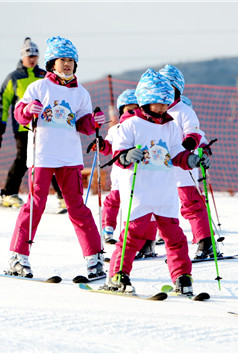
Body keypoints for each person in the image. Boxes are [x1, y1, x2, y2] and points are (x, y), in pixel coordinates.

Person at [7, 36, 106, 279]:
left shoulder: (81, 92)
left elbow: (82, 123)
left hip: (69, 157)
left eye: (72, 60)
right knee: (36, 204)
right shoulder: (39, 87)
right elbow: (20, 111)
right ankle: (18, 257)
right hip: (42, 155)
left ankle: (94, 259)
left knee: (77, 207)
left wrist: (93, 122)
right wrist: (27, 110)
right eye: (63, 60)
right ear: (52, 63)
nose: (67, 64)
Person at [104, 69, 210, 294]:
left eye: (166, 103)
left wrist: (192, 159)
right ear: (144, 102)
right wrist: (126, 156)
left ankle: (182, 277)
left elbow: (176, 154)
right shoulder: (130, 125)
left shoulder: (171, 126)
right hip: (139, 191)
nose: (163, 108)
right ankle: (117, 275)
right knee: (132, 236)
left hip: (164, 192)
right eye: (157, 104)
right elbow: (118, 155)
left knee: (175, 237)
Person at [0, 37, 66, 213]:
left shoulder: (44, 75)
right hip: (23, 126)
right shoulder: (14, 77)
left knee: (50, 158)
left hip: (44, 125)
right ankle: (8, 194)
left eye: (35, 55)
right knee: (22, 159)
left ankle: (63, 197)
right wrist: (0, 122)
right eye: (29, 55)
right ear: (22, 57)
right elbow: (3, 101)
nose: (32, 58)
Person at [158, 65, 219, 260]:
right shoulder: (156, 112)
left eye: (169, 87)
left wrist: (185, 147)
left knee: (191, 204)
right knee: (160, 207)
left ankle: (206, 242)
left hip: (185, 167)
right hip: (161, 169)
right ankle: (162, 244)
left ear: (177, 88)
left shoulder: (183, 110)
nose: (165, 92)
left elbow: (193, 132)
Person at [88, 89, 159, 256]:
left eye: (137, 109)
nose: (133, 113)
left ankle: (148, 241)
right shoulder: (116, 129)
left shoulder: (145, 127)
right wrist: (101, 144)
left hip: (142, 178)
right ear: (122, 111)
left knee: (145, 209)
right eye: (129, 110)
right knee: (113, 201)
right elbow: (109, 147)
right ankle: (108, 228)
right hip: (120, 177)